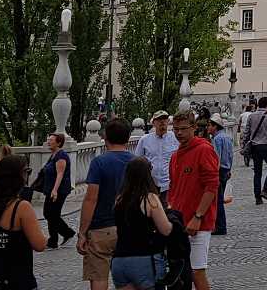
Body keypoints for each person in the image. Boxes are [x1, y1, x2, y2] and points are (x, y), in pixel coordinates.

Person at [0, 154, 47, 289]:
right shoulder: (21, 207)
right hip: (16, 279)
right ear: (22, 175)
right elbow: (40, 244)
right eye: (28, 172)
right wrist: (41, 232)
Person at [78, 118, 134, 290]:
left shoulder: (99, 162)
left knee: (99, 276)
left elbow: (91, 199)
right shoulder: (137, 162)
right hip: (129, 228)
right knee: (127, 279)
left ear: (105, 136)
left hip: (101, 228)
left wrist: (82, 233)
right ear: (128, 138)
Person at [169, 110, 221, 290]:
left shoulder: (204, 149)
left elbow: (212, 186)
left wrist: (198, 216)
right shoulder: (176, 155)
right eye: (175, 130)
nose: (179, 133)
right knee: (180, 272)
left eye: (183, 129)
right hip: (178, 223)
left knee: (197, 272)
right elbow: (173, 188)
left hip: (198, 223)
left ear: (193, 128)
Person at [111, 156, 173, 290]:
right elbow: (165, 229)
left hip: (120, 260)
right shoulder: (150, 199)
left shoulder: (119, 199)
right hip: (144, 258)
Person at [243, 96, 267, 204]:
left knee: (257, 172)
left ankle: (257, 197)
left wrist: (244, 144)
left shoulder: (251, 116)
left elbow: (247, 132)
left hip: (255, 147)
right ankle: (266, 190)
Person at [135, 111, 178, 198]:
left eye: (164, 119)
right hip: (150, 186)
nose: (162, 122)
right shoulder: (145, 140)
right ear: (153, 123)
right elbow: (138, 162)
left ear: (168, 122)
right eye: (159, 120)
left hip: (169, 185)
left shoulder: (176, 139)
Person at [207, 115, 234, 234]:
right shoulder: (226, 137)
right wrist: (229, 169)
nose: (208, 128)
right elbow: (230, 155)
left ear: (215, 127)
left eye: (209, 125)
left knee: (217, 200)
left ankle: (220, 226)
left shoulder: (216, 139)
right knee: (219, 198)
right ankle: (218, 224)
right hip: (225, 168)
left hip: (219, 170)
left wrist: (214, 173)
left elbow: (216, 158)